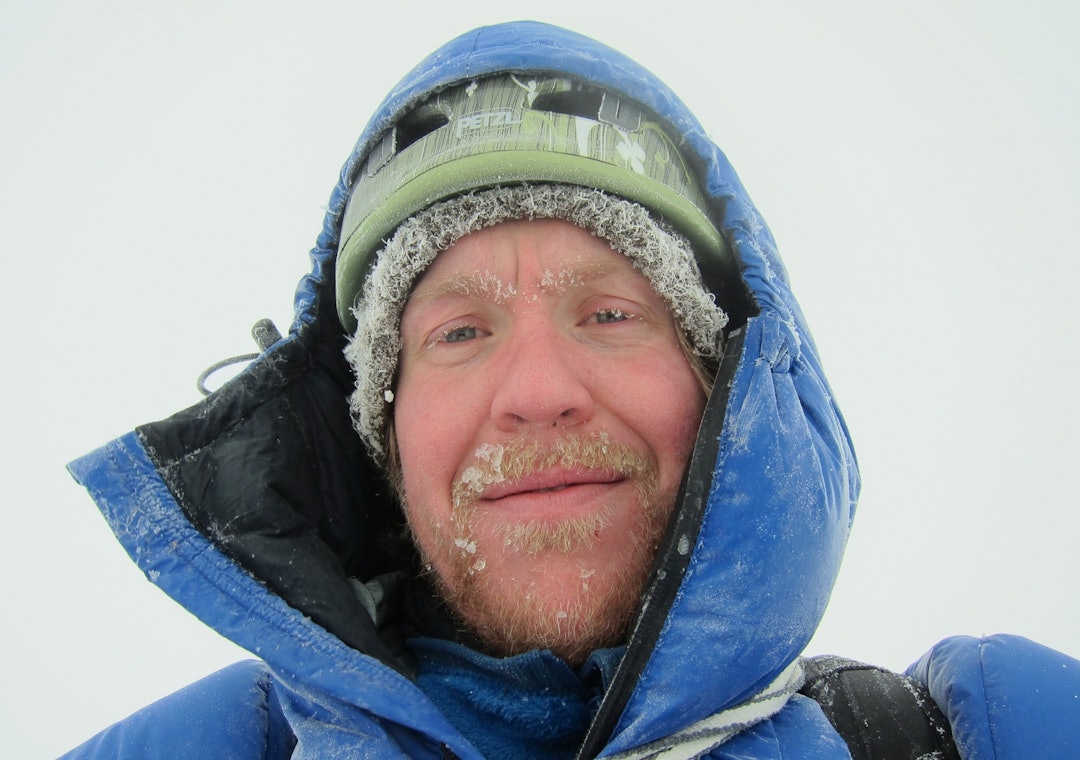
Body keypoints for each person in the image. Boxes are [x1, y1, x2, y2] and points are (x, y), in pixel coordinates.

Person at [63, 20, 1079, 760]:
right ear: (379, 434)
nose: (539, 391)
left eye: (608, 314)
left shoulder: (1000, 729)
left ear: (724, 386)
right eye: (459, 331)